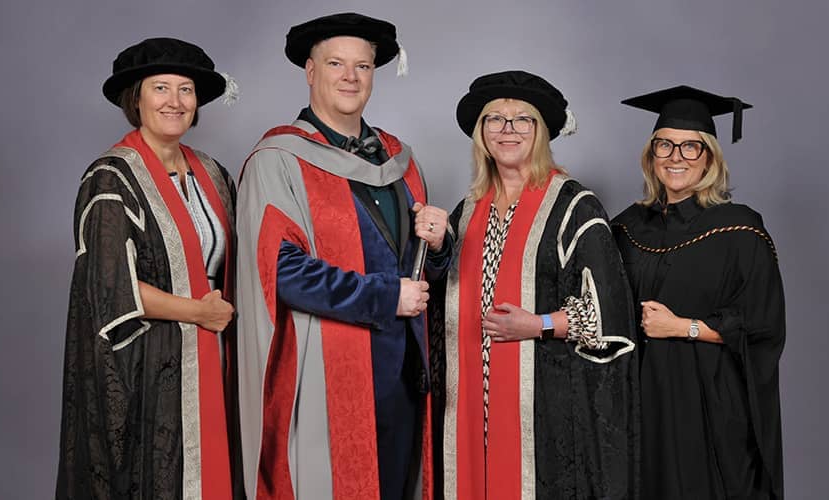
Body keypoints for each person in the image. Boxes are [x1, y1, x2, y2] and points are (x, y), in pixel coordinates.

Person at [236, 12, 451, 500]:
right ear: (311, 71)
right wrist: (382, 297)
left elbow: (415, 271)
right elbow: (279, 268)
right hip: (326, 372)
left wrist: (438, 247)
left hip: (402, 372)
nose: (350, 77)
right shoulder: (279, 160)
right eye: (336, 63)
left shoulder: (398, 161)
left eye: (363, 66)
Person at [432, 70, 638, 500]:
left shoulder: (573, 206)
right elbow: (438, 302)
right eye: (495, 119)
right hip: (469, 407)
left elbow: (611, 313)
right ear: (481, 132)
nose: (508, 130)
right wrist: (432, 248)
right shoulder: (466, 212)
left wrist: (540, 324)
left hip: (542, 408)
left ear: (542, 131)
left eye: (522, 119)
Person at [56, 37, 240, 499]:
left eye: (186, 90)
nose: (174, 102)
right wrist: (198, 313)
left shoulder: (214, 174)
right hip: (148, 364)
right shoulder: (111, 177)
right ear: (135, 98)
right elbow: (108, 285)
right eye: (161, 88)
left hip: (215, 355)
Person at [612, 85, 785, 499]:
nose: (675, 157)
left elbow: (763, 326)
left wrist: (682, 327)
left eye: (690, 147)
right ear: (651, 155)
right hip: (641, 398)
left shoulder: (739, 229)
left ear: (709, 157)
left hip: (709, 402)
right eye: (665, 146)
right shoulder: (627, 227)